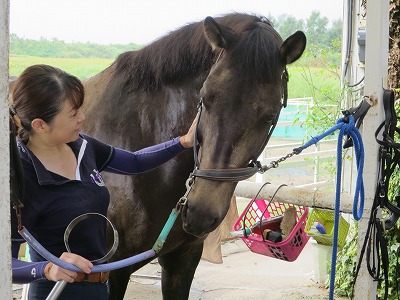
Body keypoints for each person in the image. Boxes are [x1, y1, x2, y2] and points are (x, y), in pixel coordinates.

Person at [10, 64, 198, 300]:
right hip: (56, 293)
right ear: (40, 125)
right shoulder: (17, 175)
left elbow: (135, 163)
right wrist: (47, 269)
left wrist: (183, 142)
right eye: (73, 113)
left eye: (80, 109)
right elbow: (4, 262)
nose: (82, 117)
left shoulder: (83, 147)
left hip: (100, 288)